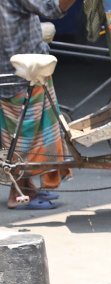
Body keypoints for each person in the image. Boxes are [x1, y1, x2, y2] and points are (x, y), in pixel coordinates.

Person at [1, 0, 76, 210]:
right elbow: (52, 8)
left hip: (16, 70)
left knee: (22, 134)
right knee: (26, 137)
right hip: (23, 72)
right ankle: (17, 193)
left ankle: (27, 187)